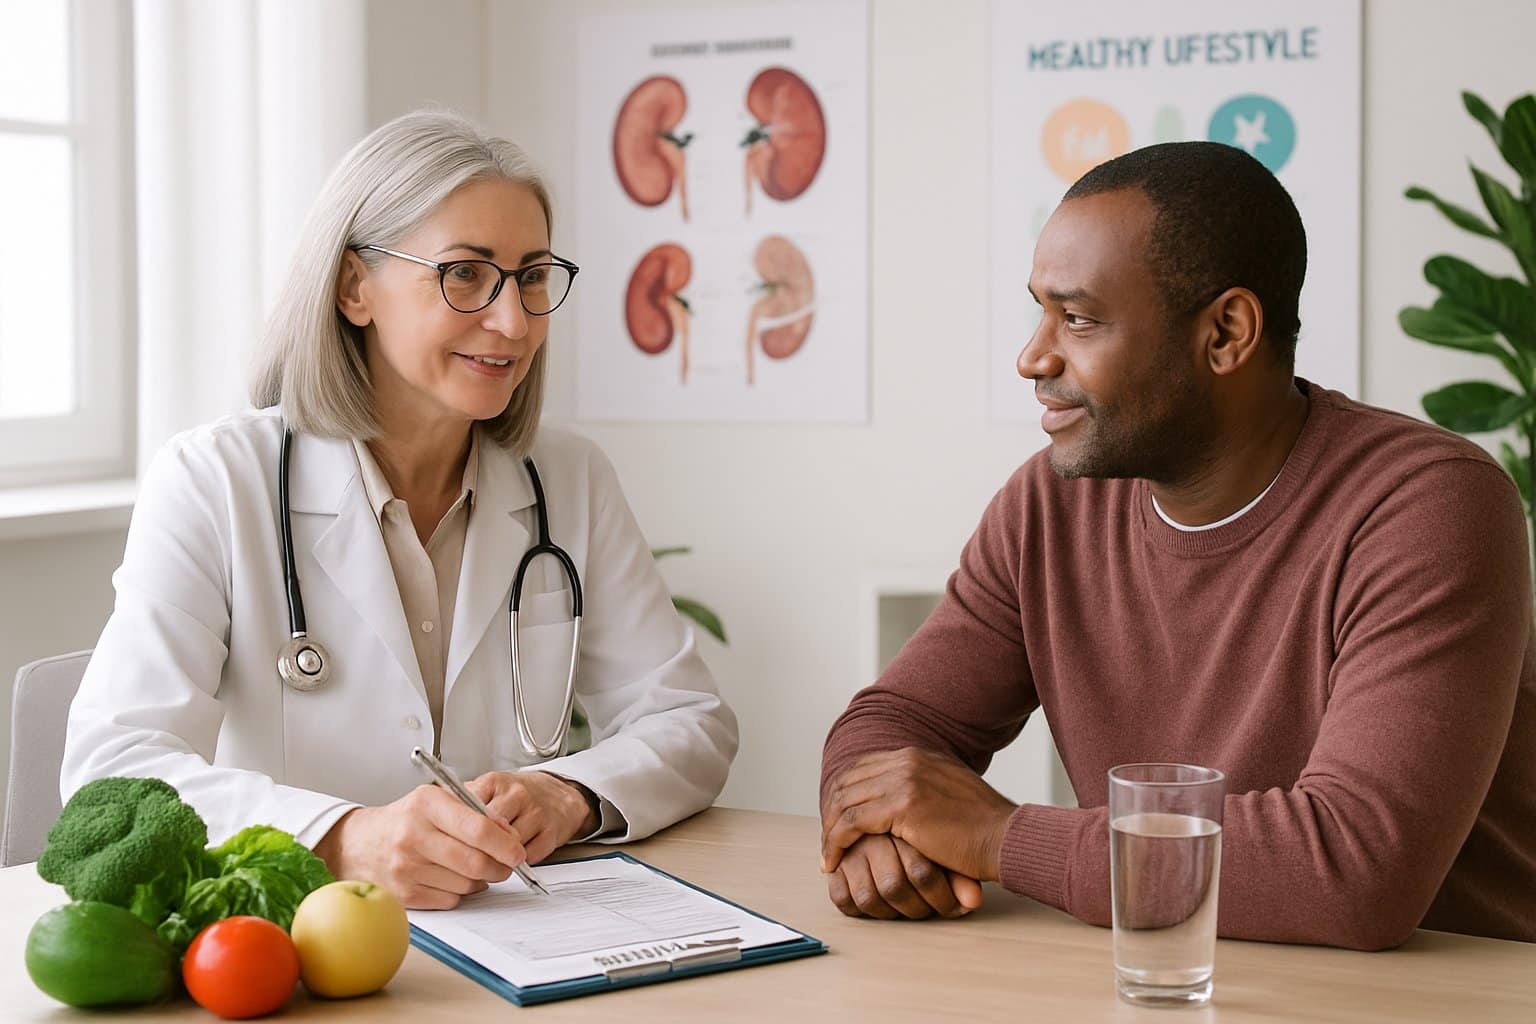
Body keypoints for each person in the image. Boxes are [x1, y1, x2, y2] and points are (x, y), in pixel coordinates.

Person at [818, 141, 1535, 949]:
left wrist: (996, 837)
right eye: (1040, 311)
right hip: (1164, 976)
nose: (1033, 356)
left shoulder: (1427, 504)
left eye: (1079, 318)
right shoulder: (1049, 505)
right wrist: (879, 831)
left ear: (1227, 333)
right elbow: (896, 721)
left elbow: (1354, 867)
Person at [62, 111, 738, 909]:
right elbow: (113, 771)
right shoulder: (214, 481)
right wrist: (342, 837)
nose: (514, 322)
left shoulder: (568, 478)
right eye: (465, 274)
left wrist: (568, 793)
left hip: (508, 939)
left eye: (529, 276)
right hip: (296, 943)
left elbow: (689, 720)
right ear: (355, 288)